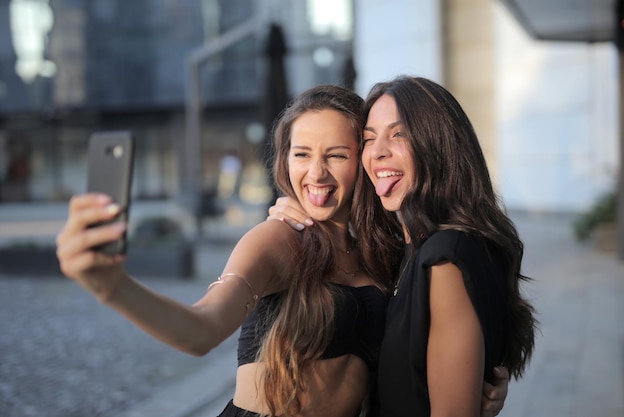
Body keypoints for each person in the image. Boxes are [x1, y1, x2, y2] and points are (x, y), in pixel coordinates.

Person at [57, 84, 508, 417]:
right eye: (301, 154)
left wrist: (477, 392)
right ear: (284, 160)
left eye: (336, 154)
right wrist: (111, 286)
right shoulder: (277, 238)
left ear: (362, 159)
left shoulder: (389, 253)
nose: (316, 173)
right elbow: (200, 329)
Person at [269, 76, 536, 417]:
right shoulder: (407, 255)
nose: (378, 151)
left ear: (437, 145)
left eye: (398, 134)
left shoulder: (445, 257)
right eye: (368, 139)